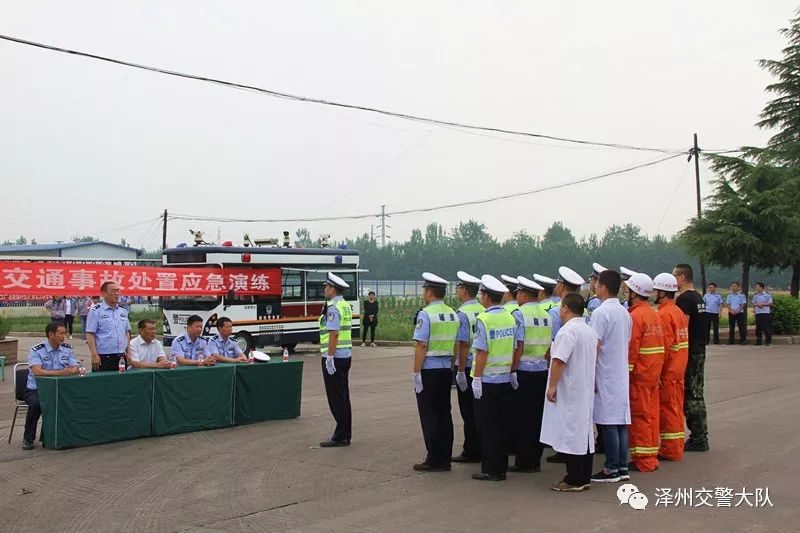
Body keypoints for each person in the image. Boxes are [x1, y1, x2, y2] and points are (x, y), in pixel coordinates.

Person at [540, 293, 598, 492]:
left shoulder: (568, 331)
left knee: (571, 432)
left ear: (565, 308)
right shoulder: (588, 330)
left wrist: (552, 385)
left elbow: (559, 360)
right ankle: (584, 475)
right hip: (584, 387)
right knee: (585, 432)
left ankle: (574, 478)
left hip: (571, 389)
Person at [470, 275, 515, 481]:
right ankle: (501, 467)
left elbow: (481, 352)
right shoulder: (509, 317)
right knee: (502, 425)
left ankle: (490, 469)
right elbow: (514, 348)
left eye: (481, 293)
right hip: (504, 379)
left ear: (486, 297)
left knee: (487, 426)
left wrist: (476, 378)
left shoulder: (484, 319)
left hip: (487, 380)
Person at [589, 270, 633, 483]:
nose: (595, 288)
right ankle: (622, 466)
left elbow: (594, 346)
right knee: (620, 422)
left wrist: (589, 376)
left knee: (608, 422)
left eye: (597, 285)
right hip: (620, 372)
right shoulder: (625, 312)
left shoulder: (600, 313)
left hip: (605, 373)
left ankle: (611, 468)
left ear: (603, 287)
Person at [412, 272, 458, 471]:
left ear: (429, 292)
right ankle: (445, 458)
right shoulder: (452, 313)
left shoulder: (426, 314)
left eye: (424, 290)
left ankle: (433, 458)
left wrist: (416, 372)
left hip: (429, 370)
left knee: (429, 415)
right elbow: (456, 344)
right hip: (446, 369)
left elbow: (421, 345)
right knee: (444, 413)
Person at [543, 267, 586, 465]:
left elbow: (555, 349)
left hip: (563, 369)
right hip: (581, 370)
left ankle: (566, 455)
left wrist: (552, 382)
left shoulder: (558, 311)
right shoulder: (586, 310)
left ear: (561, 285)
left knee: (563, 416)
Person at [509, 275, 551, 473]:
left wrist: (513, 369)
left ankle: (524, 461)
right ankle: (534, 459)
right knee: (536, 417)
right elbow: (550, 346)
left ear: (523, 295)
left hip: (524, 371)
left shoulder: (519, 314)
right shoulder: (546, 314)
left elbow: (519, 345)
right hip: (542, 370)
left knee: (521, 418)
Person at [626, 272, 665, 472]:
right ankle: (650, 455)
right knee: (650, 415)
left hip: (639, 376)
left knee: (640, 416)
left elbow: (632, 349)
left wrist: (626, 373)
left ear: (634, 293)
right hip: (653, 374)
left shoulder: (635, 316)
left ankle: (644, 460)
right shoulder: (654, 313)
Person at [22, 322, 79, 450]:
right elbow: (38, 371)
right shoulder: (37, 350)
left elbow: (75, 367)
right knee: (36, 404)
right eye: (61, 333)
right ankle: (28, 438)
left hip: (59, 388)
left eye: (65, 333)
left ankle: (64, 436)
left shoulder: (67, 349)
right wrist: (61, 372)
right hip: (36, 389)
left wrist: (72, 370)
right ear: (51, 334)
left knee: (73, 400)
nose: (64, 336)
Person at [673, 263, 710, 452]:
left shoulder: (685, 300)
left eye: (674, 276)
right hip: (699, 349)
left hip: (689, 352)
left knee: (692, 395)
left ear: (682, 277)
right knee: (697, 392)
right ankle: (700, 435)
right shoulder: (698, 298)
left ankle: (698, 438)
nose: (673, 281)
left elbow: (682, 327)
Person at [652, 273, 689, 462]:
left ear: (661, 292)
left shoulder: (664, 314)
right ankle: (675, 446)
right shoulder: (677, 312)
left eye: (656, 290)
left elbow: (663, 347)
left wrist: (656, 372)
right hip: (678, 369)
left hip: (668, 372)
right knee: (675, 409)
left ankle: (671, 449)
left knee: (668, 412)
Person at [452, 271, 484, 464]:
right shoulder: (483, 309)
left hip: (470, 367)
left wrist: (461, 370)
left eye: (458, 288)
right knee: (480, 410)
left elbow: (463, 345)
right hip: (483, 368)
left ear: (464, 291)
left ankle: (471, 450)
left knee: (468, 411)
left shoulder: (463, 314)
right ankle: (480, 446)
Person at [319, 272, 354, 447]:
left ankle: (340, 436)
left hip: (334, 357)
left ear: (333, 289)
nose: (324, 289)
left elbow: (334, 333)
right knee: (343, 396)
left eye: (326, 287)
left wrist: (330, 357)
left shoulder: (333, 307)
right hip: (345, 355)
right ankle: (345, 434)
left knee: (336, 398)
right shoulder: (345, 305)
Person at [85, 282, 131, 372]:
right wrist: (94, 355)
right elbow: (90, 334)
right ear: (104, 294)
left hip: (121, 356)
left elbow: (126, 332)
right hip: (104, 357)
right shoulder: (96, 311)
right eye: (113, 291)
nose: (117, 294)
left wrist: (129, 352)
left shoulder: (123, 311)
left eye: (118, 291)